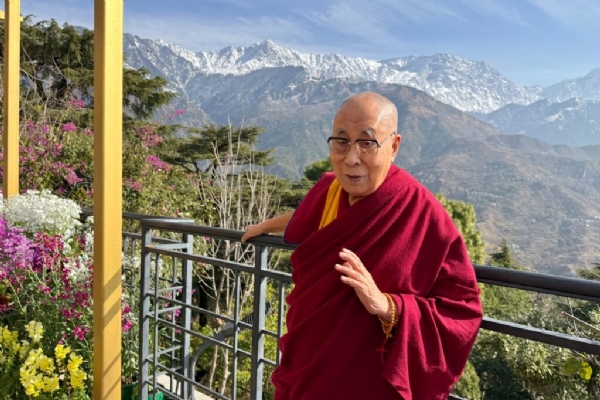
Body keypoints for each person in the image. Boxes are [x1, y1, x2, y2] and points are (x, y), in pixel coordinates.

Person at [241, 92, 483, 400]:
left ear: (394, 146)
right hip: (308, 364)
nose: (352, 158)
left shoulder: (420, 210)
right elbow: (304, 215)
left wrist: (388, 306)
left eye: (367, 143)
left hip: (367, 380)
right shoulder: (330, 190)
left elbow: (463, 311)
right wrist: (264, 227)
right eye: (342, 142)